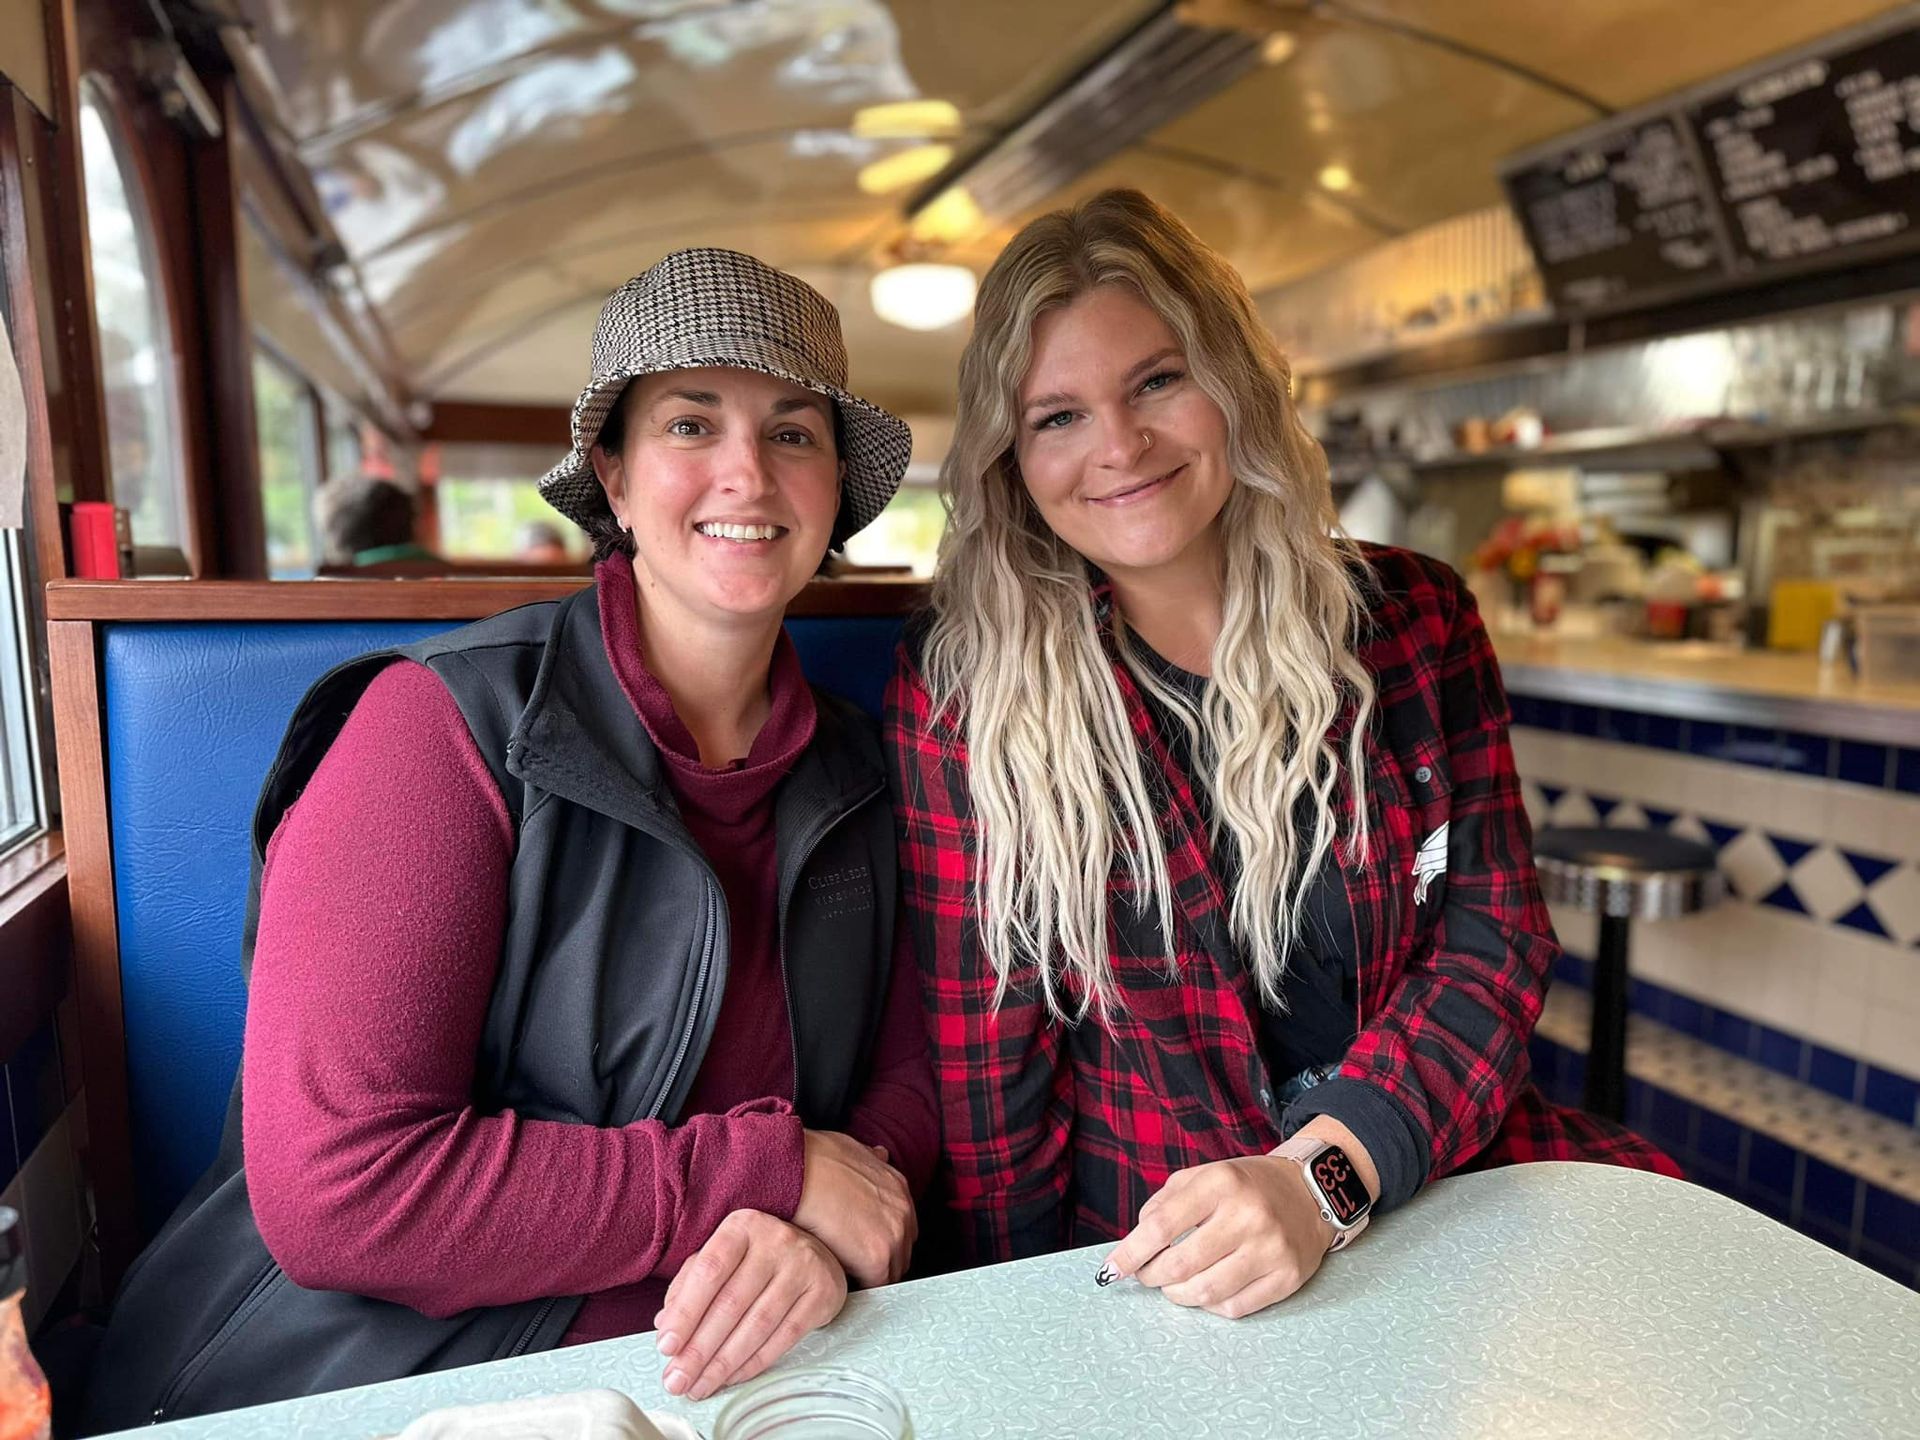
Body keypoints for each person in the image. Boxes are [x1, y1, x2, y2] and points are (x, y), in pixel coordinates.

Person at [82, 249, 936, 1430]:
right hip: (382, 1385)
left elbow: (912, 1075)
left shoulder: (862, 770)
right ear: (615, 476)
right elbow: (342, 1192)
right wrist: (769, 1176)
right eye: (691, 422)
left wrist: (817, 1235)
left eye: (794, 433)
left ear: (836, 488)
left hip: (737, 1375)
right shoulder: (438, 730)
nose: (747, 471)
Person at [886, 190, 1677, 1319]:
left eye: (1158, 380)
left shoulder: (1412, 618)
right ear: (1011, 454)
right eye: (1057, 414)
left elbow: (1493, 945)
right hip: (1162, 1258)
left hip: (1431, 1187)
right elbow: (989, 1061)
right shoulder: (964, 688)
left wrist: (1326, 1178)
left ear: (1235, 382)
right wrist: (1020, 1315)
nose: (1119, 446)